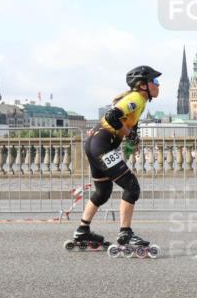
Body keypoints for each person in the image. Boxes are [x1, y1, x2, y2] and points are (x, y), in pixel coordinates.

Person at [68, 65, 161, 258]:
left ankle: (82, 231)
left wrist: (132, 138)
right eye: (155, 81)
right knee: (132, 186)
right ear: (143, 85)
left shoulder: (139, 101)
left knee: (103, 192)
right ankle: (125, 234)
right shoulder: (136, 98)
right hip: (102, 146)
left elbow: (126, 128)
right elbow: (112, 116)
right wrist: (128, 134)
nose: (158, 85)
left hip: (94, 144)